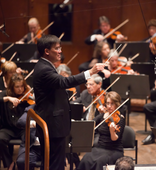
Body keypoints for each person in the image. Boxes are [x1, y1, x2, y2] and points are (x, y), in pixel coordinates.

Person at [33, 34, 105, 170]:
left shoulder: (45, 65)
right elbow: (64, 82)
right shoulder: (44, 69)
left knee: (51, 162)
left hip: (53, 123)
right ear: (47, 51)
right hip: (52, 125)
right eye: (57, 48)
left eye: (60, 48)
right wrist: (90, 72)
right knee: (55, 164)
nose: (60, 51)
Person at [76, 91, 125, 170]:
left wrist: (112, 130)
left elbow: (114, 138)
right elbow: (91, 124)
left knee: (99, 162)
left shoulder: (120, 119)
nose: (109, 106)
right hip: (100, 147)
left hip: (114, 150)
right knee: (86, 158)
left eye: (112, 103)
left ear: (117, 104)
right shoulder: (103, 115)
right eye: (107, 103)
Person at [0, 73, 31, 170]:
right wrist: (8, 98)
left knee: (30, 138)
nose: (20, 89)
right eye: (17, 87)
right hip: (8, 128)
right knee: (0, 139)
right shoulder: (5, 95)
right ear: (11, 87)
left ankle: (24, 163)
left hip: (23, 128)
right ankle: (9, 163)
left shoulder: (27, 97)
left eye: (22, 86)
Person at [16, 104, 41, 170]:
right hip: (32, 148)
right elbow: (20, 121)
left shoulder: (53, 109)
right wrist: (34, 123)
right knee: (21, 162)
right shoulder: (32, 108)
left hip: (49, 147)